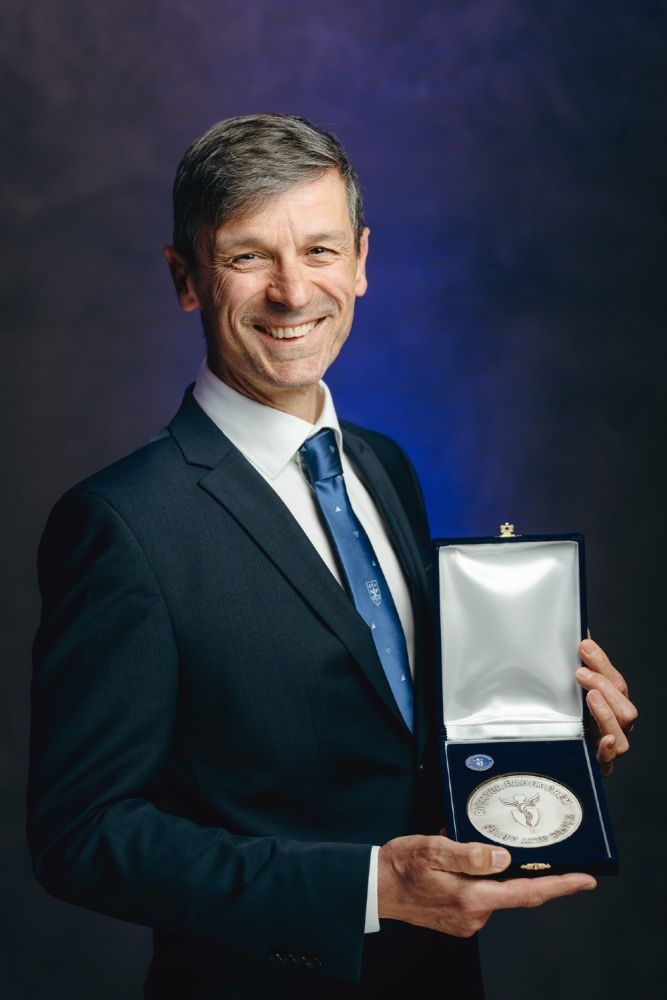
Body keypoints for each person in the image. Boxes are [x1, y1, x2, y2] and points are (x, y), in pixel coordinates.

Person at [28, 114, 637, 999]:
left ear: (359, 261)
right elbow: (81, 835)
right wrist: (367, 888)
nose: (291, 292)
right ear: (185, 278)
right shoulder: (121, 523)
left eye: (318, 250)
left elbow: (390, 734)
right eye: (247, 256)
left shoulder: (383, 465)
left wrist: (545, 735)